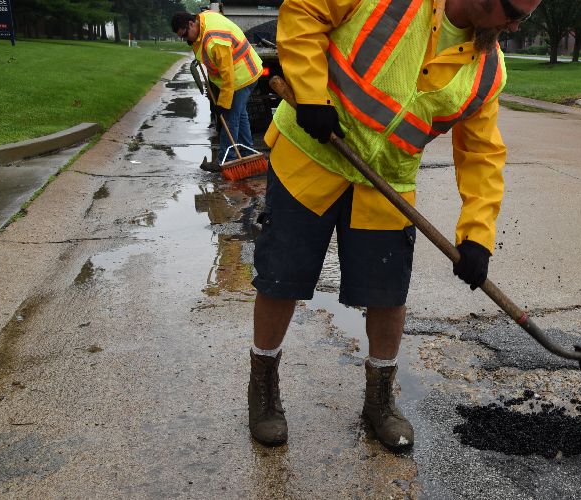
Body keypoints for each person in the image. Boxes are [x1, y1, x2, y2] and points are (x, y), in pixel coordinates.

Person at [246, 0, 540, 449]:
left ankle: (379, 400)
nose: (516, 25)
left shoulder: (488, 71)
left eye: (527, 17)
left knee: (387, 295)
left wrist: (477, 235)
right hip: (309, 157)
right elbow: (304, 11)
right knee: (280, 279)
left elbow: (481, 153)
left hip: (386, 183)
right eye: (514, 10)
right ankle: (263, 389)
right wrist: (311, 92)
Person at [170, 11, 263, 169]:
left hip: (241, 76)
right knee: (240, 116)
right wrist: (194, 42)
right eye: (182, 37)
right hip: (246, 71)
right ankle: (249, 154)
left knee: (229, 117)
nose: (186, 39)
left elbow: (228, 76)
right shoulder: (204, 18)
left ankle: (226, 159)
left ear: (191, 24)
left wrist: (222, 103)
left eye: (185, 35)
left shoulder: (215, 40)